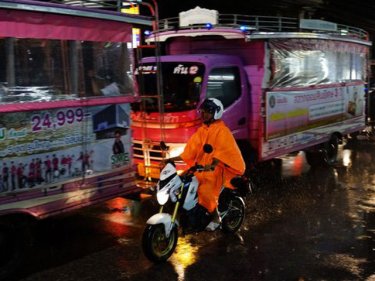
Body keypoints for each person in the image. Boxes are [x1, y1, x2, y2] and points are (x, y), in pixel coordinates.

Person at [165, 98, 245, 231]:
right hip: (201, 168)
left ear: (216, 113)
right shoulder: (201, 131)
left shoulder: (222, 131)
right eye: (203, 111)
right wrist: (170, 160)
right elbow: (189, 152)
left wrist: (212, 165)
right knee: (180, 183)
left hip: (217, 169)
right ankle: (185, 214)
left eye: (208, 112)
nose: (204, 114)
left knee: (205, 191)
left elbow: (223, 152)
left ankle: (215, 217)